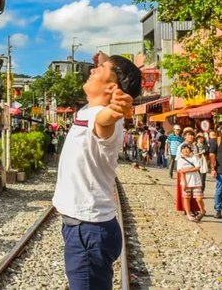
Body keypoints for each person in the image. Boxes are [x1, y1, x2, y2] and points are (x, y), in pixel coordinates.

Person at [52, 56, 140, 290]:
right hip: (84, 228)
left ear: (112, 88)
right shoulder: (87, 110)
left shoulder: (101, 116)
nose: (92, 70)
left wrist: (115, 109)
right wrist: (104, 59)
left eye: (100, 69)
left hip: (88, 231)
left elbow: (104, 121)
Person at [176, 143, 205, 222]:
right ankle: (188, 214)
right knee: (186, 198)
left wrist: (186, 170)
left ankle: (202, 211)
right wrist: (184, 182)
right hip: (186, 181)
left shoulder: (194, 158)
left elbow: (197, 168)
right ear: (181, 150)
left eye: (187, 148)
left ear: (190, 150)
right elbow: (179, 170)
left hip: (196, 181)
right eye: (183, 148)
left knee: (199, 198)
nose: (185, 150)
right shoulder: (180, 159)